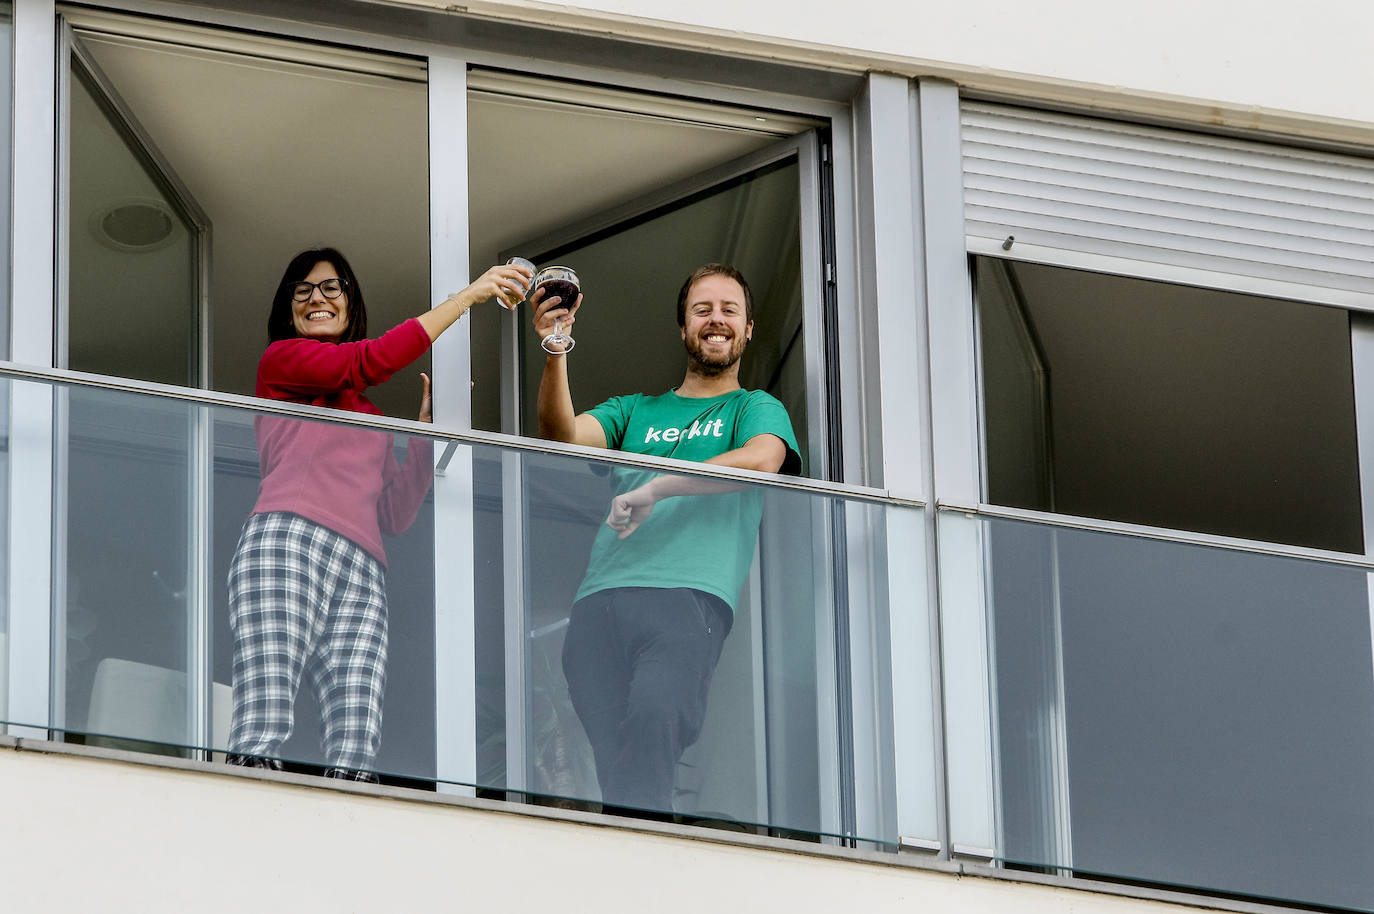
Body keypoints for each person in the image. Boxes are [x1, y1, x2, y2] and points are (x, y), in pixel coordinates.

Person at [226, 247, 531, 780]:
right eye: (303, 290)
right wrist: (467, 296)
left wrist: (420, 435)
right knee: (265, 713)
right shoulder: (282, 360)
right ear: (288, 309)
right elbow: (366, 361)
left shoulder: (370, 415)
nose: (317, 298)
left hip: (364, 566)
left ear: (350, 304)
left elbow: (394, 513)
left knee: (357, 735)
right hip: (288, 538)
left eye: (331, 288)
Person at [533, 263, 801, 813]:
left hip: (687, 597)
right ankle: (637, 854)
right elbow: (562, 434)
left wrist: (657, 487)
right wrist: (556, 347)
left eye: (730, 310)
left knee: (658, 717)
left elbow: (760, 460)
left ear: (748, 329)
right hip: (600, 600)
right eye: (702, 310)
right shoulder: (635, 410)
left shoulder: (753, 407)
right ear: (683, 328)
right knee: (620, 767)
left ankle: (640, 866)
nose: (716, 320)